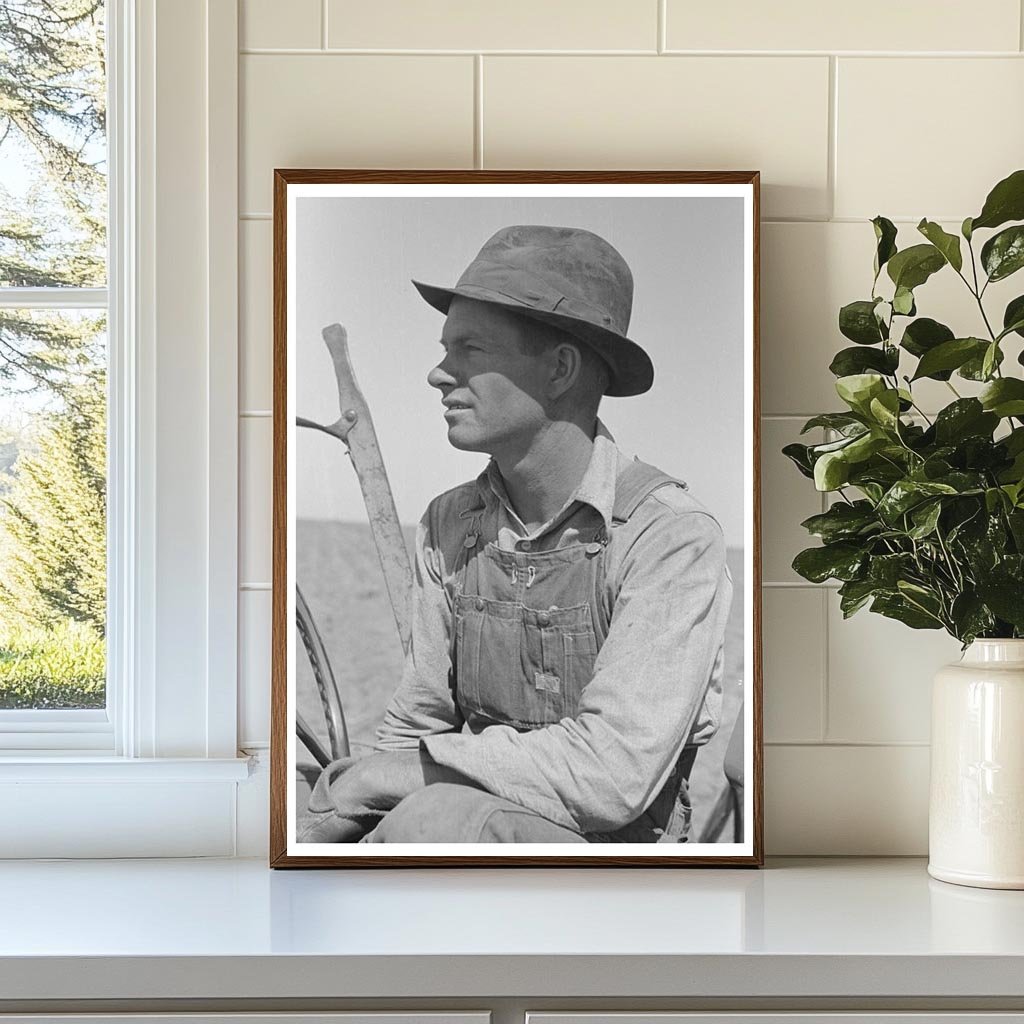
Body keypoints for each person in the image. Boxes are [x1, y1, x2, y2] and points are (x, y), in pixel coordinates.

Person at [300, 224, 733, 844]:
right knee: (282, 794)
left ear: (559, 369)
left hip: (617, 863)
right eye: (446, 349)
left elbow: (610, 776)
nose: (438, 374)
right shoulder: (451, 523)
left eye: (470, 349)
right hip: (473, 830)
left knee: (431, 817)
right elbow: (414, 725)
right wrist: (339, 813)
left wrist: (382, 779)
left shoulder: (668, 538)